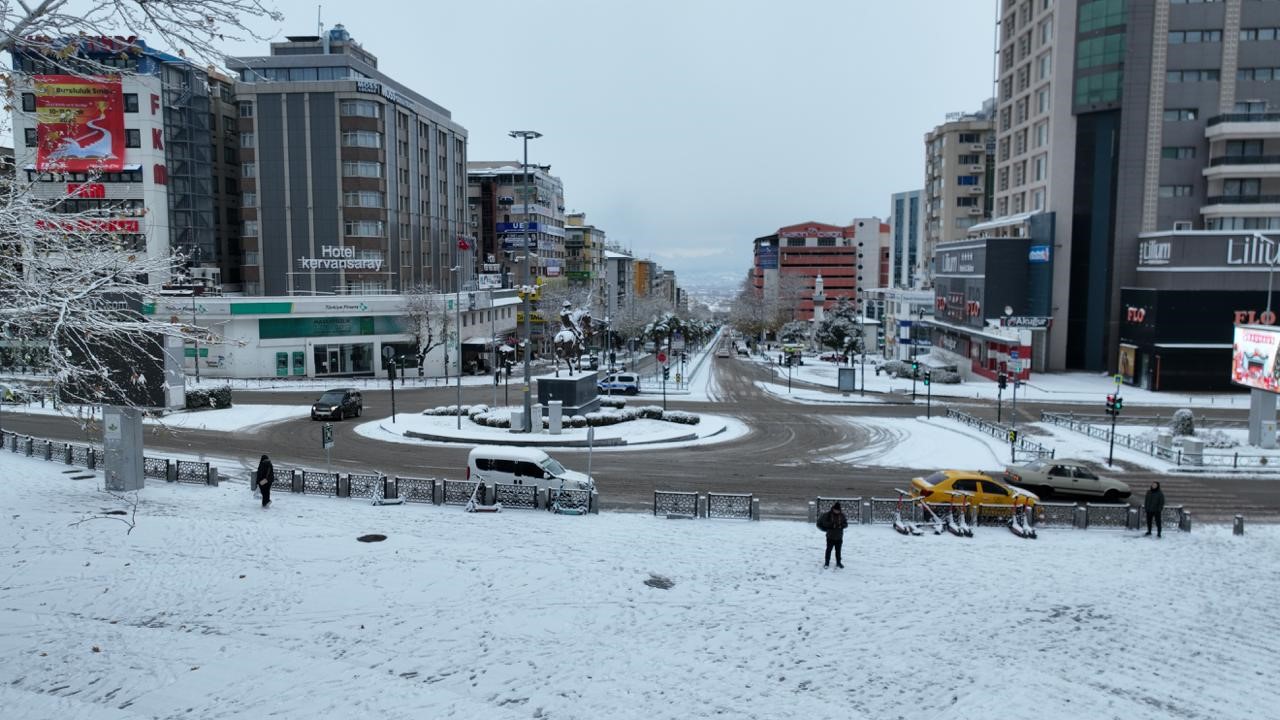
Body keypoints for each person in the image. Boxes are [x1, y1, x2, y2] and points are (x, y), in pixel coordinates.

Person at [816, 502, 849, 568]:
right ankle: (827, 563)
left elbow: (846, 524)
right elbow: (823, 523)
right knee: (829, 550)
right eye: (835, 510)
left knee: (838, 551)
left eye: (838, 510)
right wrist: (831, 525)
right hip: (830, 536)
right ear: (833, 509)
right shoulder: (827, 515)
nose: (836, 511)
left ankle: (838, 562)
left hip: (839, 536)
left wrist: (841, 526)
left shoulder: (842, 515)